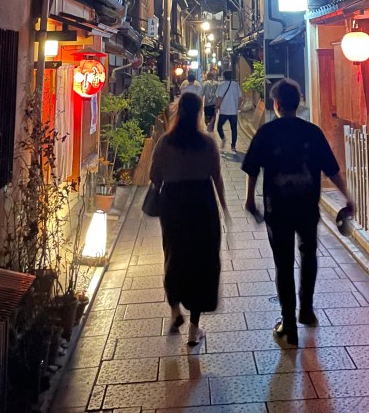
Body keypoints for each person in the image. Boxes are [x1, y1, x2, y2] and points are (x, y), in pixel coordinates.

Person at [242, 77, 354, 347]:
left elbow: (252, 168)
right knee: (308, 255)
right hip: (306, 206)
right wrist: (349, 197)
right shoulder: (312, 132)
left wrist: (249, 199)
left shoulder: (267, 133)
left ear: (276, 104)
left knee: (283, 263)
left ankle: (288, 325)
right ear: (299, 103)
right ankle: (306, 309)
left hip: (277, 208)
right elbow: (332, 169)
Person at [149, 91, 229, 345]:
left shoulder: (165, 142)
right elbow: (216, 177)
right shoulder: (207, 143)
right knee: (203, 262)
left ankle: (175, 311)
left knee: (174, 255)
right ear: (199, 113)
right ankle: (194, 329)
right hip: (202, 203)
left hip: (173, 203)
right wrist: (224, 207)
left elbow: (154, 176)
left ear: (178, 111)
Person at [215, 68, 243, 151]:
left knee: (219, 127)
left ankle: (223, 138)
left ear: (224, 76)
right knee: (234, 129)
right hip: (233, 111)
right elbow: (241, 98)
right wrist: (237, 106)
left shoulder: (221, 85)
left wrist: (216, 107)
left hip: (224, 111)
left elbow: (219, 98)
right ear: (231, 76)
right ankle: (233, 146)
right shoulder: (236, 85)